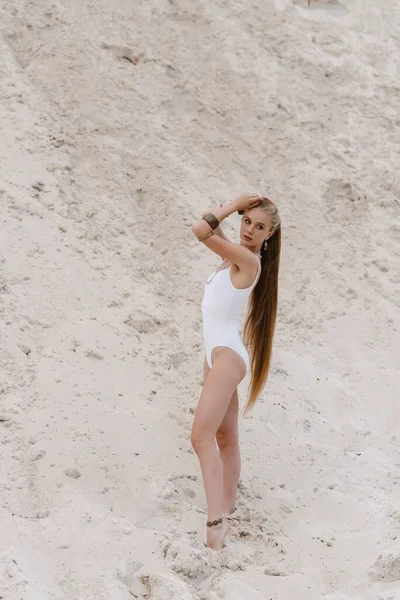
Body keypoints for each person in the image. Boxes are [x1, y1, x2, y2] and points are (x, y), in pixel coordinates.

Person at [191, 193, 281, 550]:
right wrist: (234, 211)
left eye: (259, 227)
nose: (249, 230)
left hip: (227, 356)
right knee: (225, 438)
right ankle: (228, 505)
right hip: (215, 354)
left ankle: (215, 525)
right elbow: (205, 221)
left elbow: (200, 228)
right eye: (247, 221)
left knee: (200, 437)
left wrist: (233, 205)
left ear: (268, 236)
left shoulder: (248, 261)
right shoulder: (231, 255)